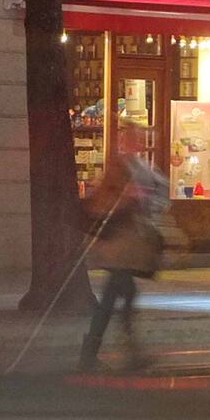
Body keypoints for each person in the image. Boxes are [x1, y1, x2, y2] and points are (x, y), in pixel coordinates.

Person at [79, 125, 169, 370]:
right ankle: (116, 353)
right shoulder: (118, 166)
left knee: (119, 296)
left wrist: (148, 195)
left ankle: (99, 352)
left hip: (128, 247)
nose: (138, 143)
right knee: (117, 297)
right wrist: (128, 197)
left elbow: (157, 193)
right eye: (134, 139)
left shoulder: (139, 166)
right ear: (126, 141)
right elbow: (105, 200)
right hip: (119, 247)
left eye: (139, 139)